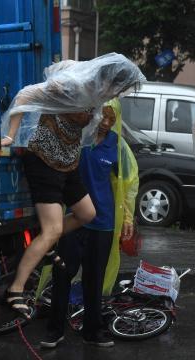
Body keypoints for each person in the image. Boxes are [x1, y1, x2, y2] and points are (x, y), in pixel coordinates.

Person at [1, 54, 145, 318]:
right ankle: (16, 289)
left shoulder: (98, 97)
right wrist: (10, 135)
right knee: (53, 228)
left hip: (68, 163)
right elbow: (24, 96)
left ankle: (45, 243)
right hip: (44, 161)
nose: (118, 93)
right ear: (108, 80)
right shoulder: (70, 86)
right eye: (119, 88)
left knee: (87, 214)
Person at [40, 99, 139, 348]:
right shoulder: (77, 137)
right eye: (102, 116)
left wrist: (127, 217)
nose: (106, 122)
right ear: (93, 114)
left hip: (102, 222)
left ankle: (92, 331)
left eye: (111, 118)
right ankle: (55, 330)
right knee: (63, 274)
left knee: (94, 279)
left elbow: (128, 183)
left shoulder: (117, 146)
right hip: (73, 220)